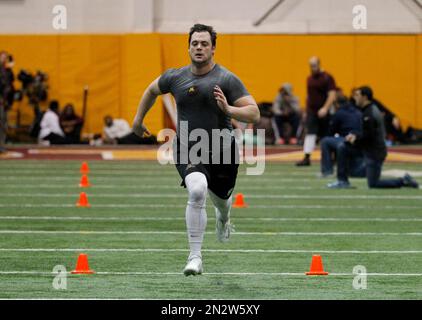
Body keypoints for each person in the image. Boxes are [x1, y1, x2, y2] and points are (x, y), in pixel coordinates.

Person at [132, 24, 260, 276]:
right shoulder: (175, 77)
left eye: (204, 43)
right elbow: (151, 90)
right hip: (188, 148)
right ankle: (195, 257)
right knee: (198, 190)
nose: (199, 47)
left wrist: (229, 110)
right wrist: (138, 120)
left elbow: (254, 113)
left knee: (222, 203)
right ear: (188, 47)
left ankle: (223, 219)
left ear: (213, 48)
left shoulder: (226, 79)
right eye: (195, 43)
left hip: (222, 151)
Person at [328, 86, 418, 189]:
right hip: (367, 148)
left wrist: (355, 139)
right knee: (343, 147)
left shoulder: (370, 113)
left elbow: (369, 136)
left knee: (374, 184)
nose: (354, 98)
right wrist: (355, 136)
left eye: (357, 95)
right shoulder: (367, 109)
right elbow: (365, 133)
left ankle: (403, 180)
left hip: (374, 152)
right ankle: (342, 181)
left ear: (365, 97)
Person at [296, 56, 337, 166]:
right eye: (310, 66)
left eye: (314, 65)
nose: (312, 68)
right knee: (310, 133)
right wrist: (306, 110)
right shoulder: (309, 78)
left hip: (324, 111)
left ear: (319, 64)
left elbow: (332, 94)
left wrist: (325, 108)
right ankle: (307, 157)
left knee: (326, 134)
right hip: (312, 111)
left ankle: (329, 157)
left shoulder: (327, 78)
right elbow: (309, 96)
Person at [319, 88, 365, 178]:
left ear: (336, 104)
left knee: (325, 141)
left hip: (347, 139)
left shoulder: (339, 113)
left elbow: (331, 132)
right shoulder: (358, 112)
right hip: (360, 140)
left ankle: (327, 171)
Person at [0, 51, 15, 153]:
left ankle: (1, 144)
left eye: (6, 57)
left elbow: (10, 86)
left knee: (3, 124)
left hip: (4, 102)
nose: (4, 59)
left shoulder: (8, 71)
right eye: (2, 57)